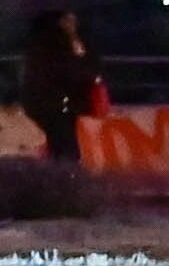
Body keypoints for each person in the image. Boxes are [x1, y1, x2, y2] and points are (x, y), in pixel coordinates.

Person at [17, 11, 104, 167]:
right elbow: (69, 71)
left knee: (61, 142)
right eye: (68, 20)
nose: (72, 24)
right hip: (56, 102)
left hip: (59, 101)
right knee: (65, 143)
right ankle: (65, 171)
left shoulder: (65, 43)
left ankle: (59, 170)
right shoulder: (55, 45)